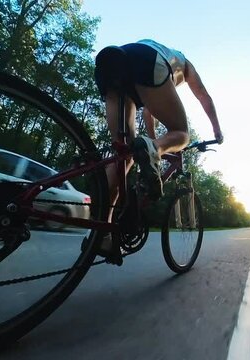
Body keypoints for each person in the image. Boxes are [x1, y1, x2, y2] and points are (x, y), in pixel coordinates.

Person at [93, 39, 222, 259]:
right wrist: (217, 131)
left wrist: (151, 145)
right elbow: (203, 95)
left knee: (122, 157)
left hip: (112, 65)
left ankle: (100, 232)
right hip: (146, 61)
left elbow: (148, 111)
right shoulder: (184, 63)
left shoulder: (153, 49)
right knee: (182, 133)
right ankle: (151, 149)